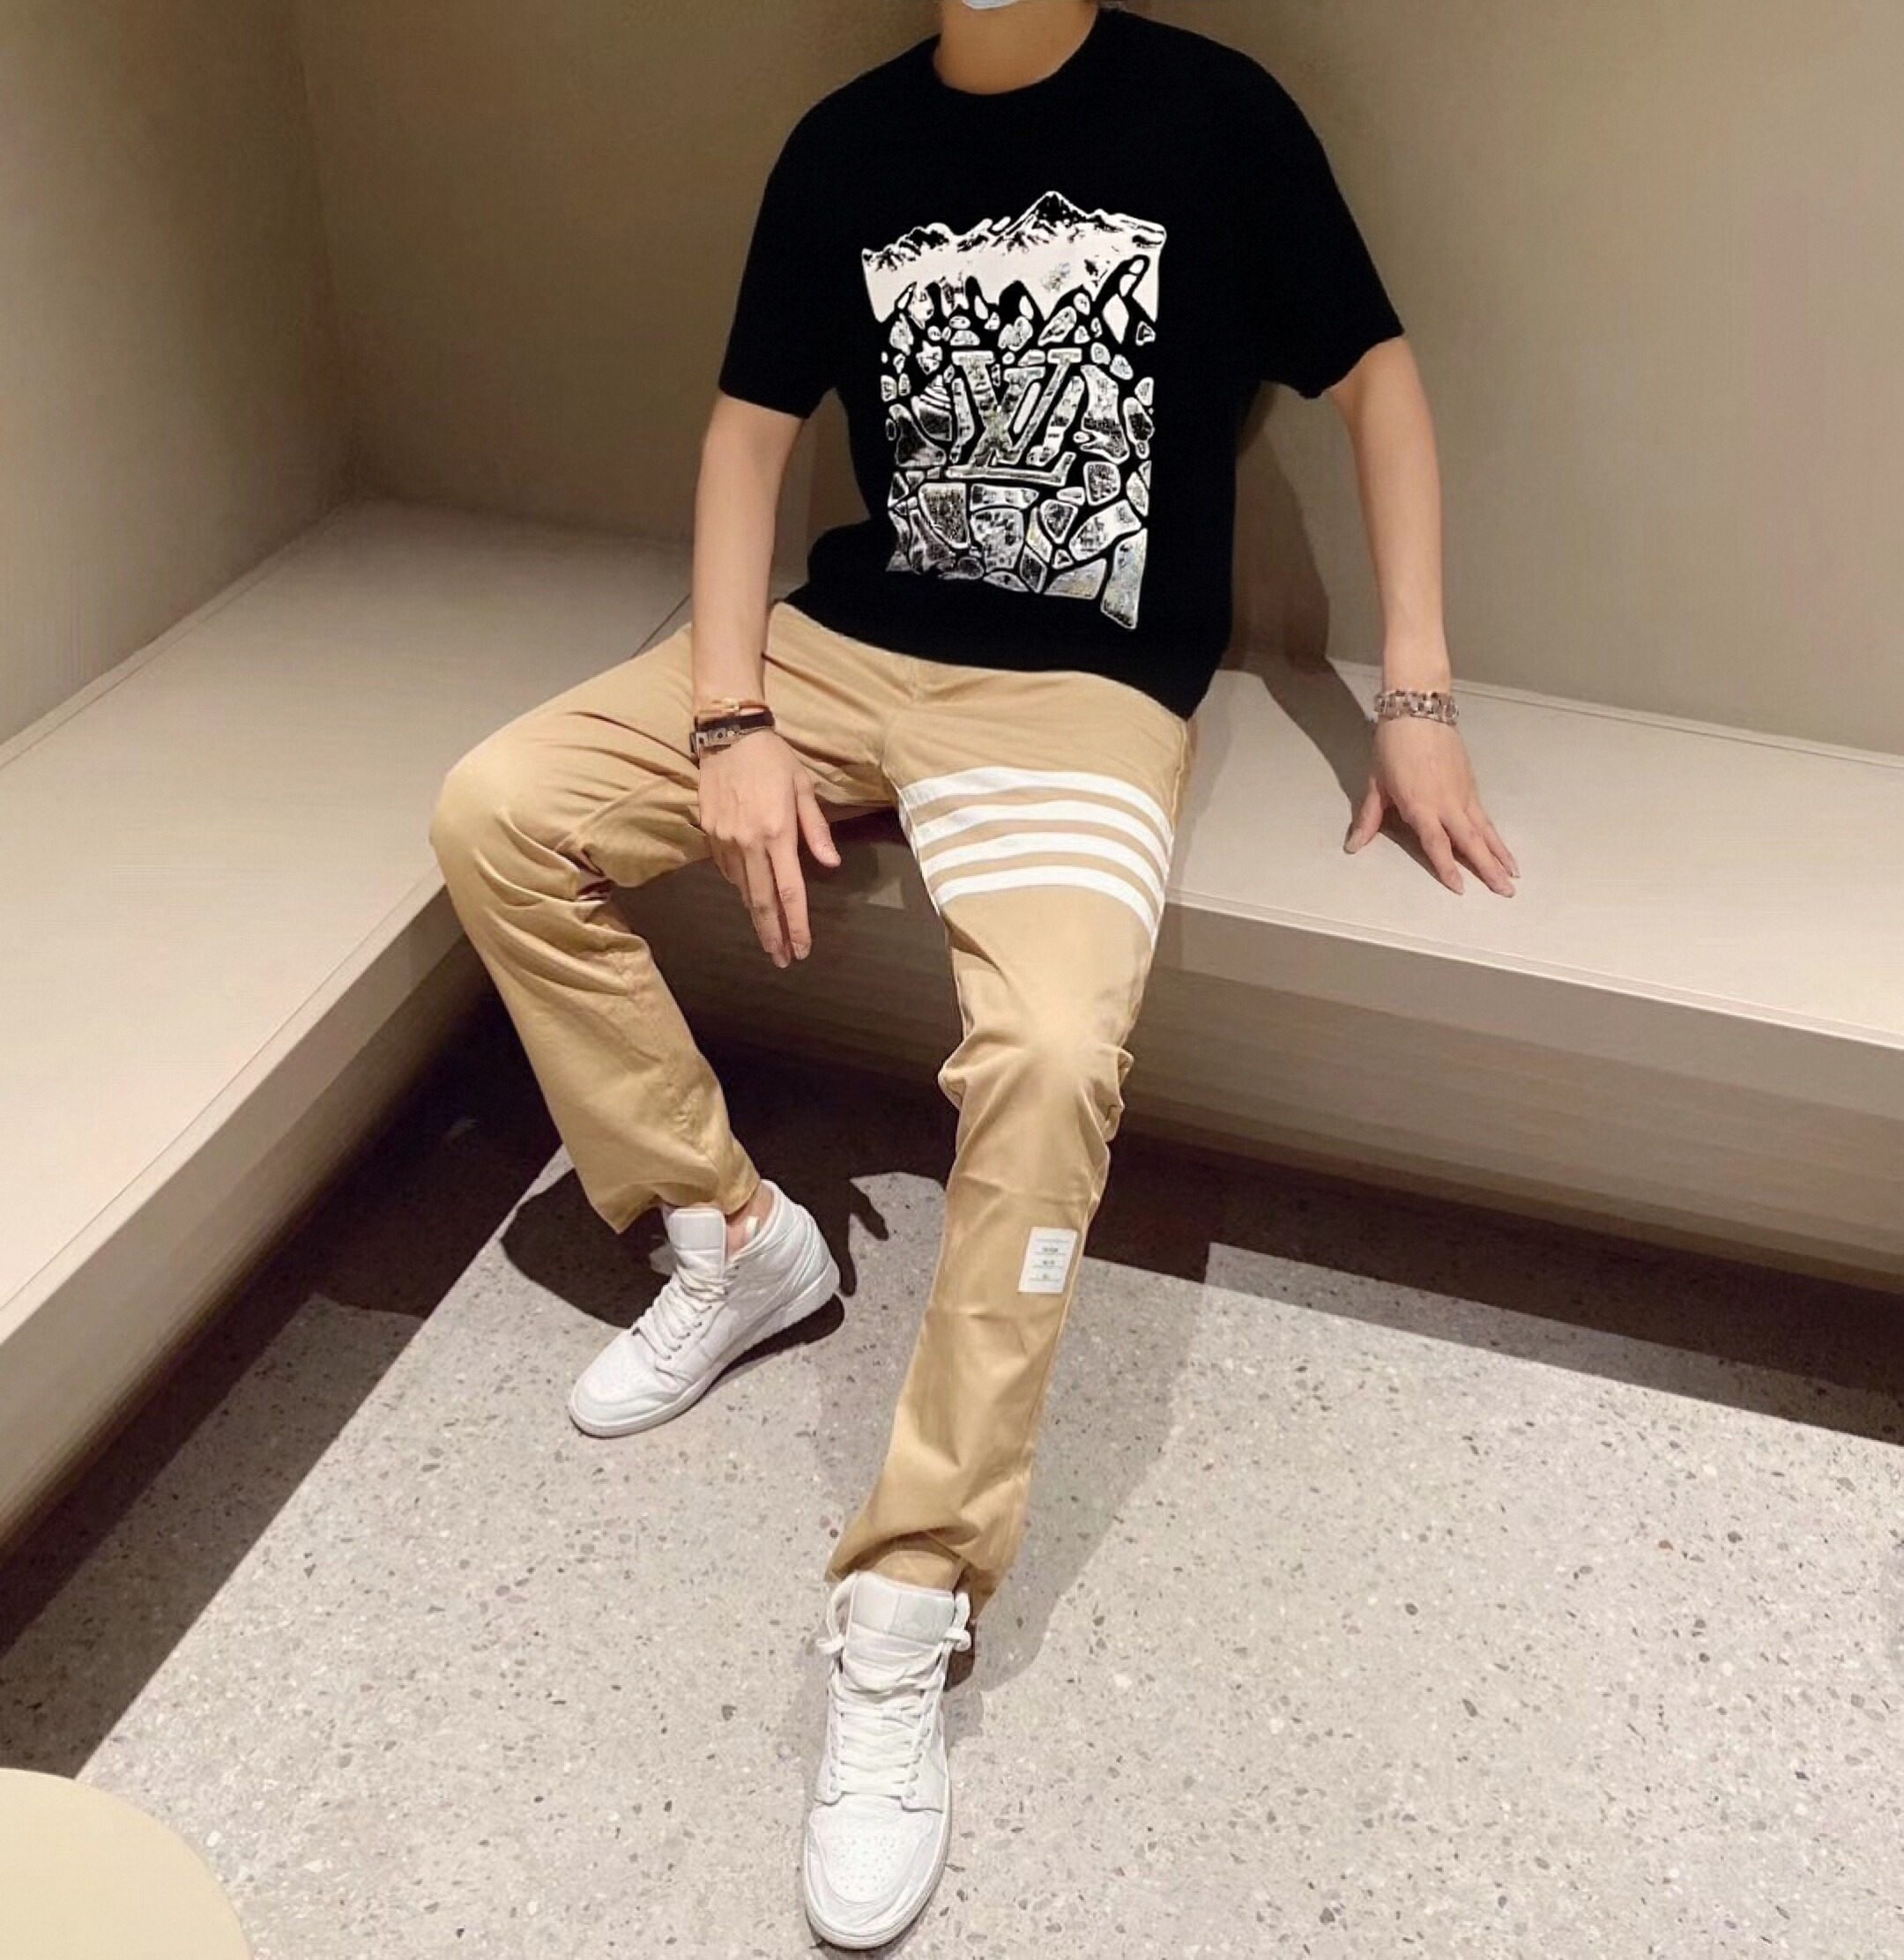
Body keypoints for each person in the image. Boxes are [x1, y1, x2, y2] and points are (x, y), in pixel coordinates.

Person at [428, 0, 1516, 1945]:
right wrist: (730, 710)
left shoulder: (1217, 116)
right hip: (846, 650)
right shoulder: (844, 146)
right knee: (498, 808)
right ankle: (730, 1231)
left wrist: (1415, 698)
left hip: (1081, 701)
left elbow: (1380, 380)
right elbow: (745, 437)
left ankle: (910, 1589)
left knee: (1051, 1051)